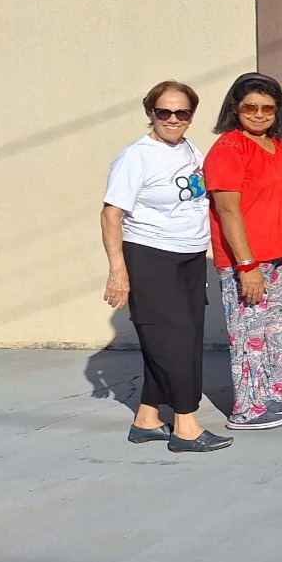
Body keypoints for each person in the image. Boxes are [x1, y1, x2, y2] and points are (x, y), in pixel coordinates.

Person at [101, 81, 232, 452]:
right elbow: (111, 215)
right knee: (173, 343)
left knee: (181, 338)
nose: (173, 119)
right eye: (164, 112)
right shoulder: (136, 156)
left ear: (192, 115)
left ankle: (146, 419)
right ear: (150, 113)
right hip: (150, 257)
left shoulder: (191, 149)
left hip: (189, 258)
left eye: (182, 112)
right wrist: (118, 271)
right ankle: (186, 427)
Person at [205, 73, 282, 431]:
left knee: (272, 332)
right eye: (250, 106)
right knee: (248, 333)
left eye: (268, 107)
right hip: (250, 260)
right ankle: (245, 409)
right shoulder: (230, 148)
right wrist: (246, 265)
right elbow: (228, 210)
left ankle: (266, 396)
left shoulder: (277, 145)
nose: (259, 114)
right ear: (235, 108)